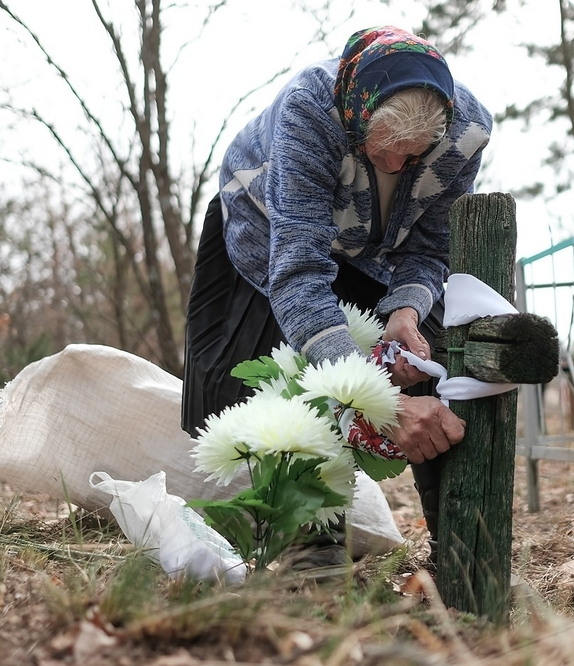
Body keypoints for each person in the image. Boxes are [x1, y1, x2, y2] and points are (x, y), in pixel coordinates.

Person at [182, 26, 493, 568]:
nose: (397, 166)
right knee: (289, 370)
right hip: (271, 229)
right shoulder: (312, 109)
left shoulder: (467, 133)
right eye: (385, 152)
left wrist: (405, 311)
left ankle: (461, 551)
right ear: (357, 116)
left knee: (442, 360)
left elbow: (429, 244)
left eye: (412, 156)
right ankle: (311, 551)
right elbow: (299, 273)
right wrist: (380, 404)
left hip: (376, 245)